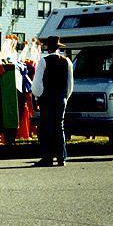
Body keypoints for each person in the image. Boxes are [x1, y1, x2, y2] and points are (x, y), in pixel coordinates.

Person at [31, 36, 73, 167]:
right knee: (59, 126)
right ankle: (61, 157)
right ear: (59, 48)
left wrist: (38, 95)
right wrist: (65, 97)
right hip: (61, 98)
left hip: (47, 97)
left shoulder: (44, 61)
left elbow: (37, 82)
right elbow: (70, 84)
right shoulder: (67, 61)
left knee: (46, 127)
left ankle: (47, 157)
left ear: (47, 48)